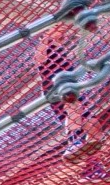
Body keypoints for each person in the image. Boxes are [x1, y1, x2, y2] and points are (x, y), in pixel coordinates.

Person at [33, 16, 103, 163]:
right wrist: (48, 35)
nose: (64, 32)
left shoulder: (60, 49)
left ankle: (93, 166)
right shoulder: (45, 48)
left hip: (71, 88)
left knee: (93, 125)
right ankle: (74, 142)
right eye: (59, 29)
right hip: (56, 91)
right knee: (73, 107)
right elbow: (38, 58)